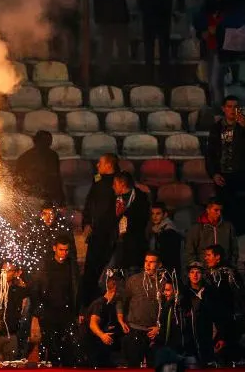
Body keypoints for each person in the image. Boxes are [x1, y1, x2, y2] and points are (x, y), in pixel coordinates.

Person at [31, 235, 80, 366]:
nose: (64, 253)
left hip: (67, 313)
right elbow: (36, 289)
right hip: (49, 313)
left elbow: (76, 288)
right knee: (50, 347)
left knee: (68, 348)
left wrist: (78, 311)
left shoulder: (71, 265)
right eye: (61, 250)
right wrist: (38, 312)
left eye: (66, 250)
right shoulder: (46, 266)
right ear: (54, 248)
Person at [80, 153, 119, 310]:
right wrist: (87, 222)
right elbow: (89, 204)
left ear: (109, 165)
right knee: (91, 272)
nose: (97, 165)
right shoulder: (98, 182)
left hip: (108, 236)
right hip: (96, 234)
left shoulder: (117, 183)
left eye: (100, 163)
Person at [134, 0, 179, 81]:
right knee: (149, 46)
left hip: (164, 11)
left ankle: (165, 77)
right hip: (148, 12)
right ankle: (149, 77)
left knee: (164, 45)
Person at [206, 95, 245, 235]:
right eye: (229, 106)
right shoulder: (216, 128)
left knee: (241, 209)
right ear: (223, 108)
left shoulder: (243, 127)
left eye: (236, 107)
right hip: (222, 176)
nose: (233, 110)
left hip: (240, 175)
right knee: (225, 208)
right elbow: (210, 154)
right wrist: (214, 174)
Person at [90, 0, 134, 77]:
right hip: (106, 18)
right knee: (106, 49)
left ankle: (125, 75)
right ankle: (102, 75)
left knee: (123, 49)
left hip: (120, 17)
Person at [116, 251, 163, 367]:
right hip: (135, 330)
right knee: (134, 366)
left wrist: (160, 327)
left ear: (159, 265)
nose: (147, 265)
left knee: (154, 366)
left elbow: (169, 309)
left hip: (154, 333)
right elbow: (121, 300)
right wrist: (121, 320)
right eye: (146, 261)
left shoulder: (164, 283)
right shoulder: (134, 280)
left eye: (151, 262)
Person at [202, 245, 244, 363]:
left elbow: (227, 306)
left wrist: (222, 334)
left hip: (227, 326)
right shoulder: (213, 274)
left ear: (218, 257)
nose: (206, 258)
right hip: (221, 326)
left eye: (209, 255)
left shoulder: (224, 275)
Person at [194, 0, 233, 110]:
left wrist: (218, 30)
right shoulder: (207, 7)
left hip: (227, 50)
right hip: (210, 48)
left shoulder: (232, 7)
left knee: (219, 81)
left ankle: (221, 108)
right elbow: (199, 24)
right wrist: (203, 31)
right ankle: (216, 107)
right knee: (211, 81)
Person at [180, 261, 226, 366]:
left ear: (203, 274)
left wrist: (221, 337)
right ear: (188, 274)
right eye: (192, 272)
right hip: (189, 341)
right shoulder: (183, 293)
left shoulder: (211, 292)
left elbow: (219, 316)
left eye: (198, 272)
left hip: (208, 340)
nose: (195, 275)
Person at [110, 171, 150, 274]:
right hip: (115, 245)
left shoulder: (140, 198)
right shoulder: (113, 199)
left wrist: (125, 213)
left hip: (134, 246)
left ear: (122, 184)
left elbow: (142, 221)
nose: (113, 187)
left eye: (115, 184)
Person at [15, 130, 65, 206]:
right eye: (44, 141)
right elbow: (19, 179)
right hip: (31, 194)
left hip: (48, 194)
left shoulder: (53, 156)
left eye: (49, 141)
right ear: (37, 141)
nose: (48, 143)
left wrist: (60, 197)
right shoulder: (25, 157)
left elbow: (56, 177)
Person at [185, 198, 239, 267]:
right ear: (208, 210)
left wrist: (231, 265)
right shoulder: (197, 228)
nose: (219, 213)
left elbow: (234, 249)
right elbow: (189, 251)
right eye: (216, 210)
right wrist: (197, 267)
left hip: (224, 269)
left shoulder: (228, 227)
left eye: (220, 210)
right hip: (204, 270)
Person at [86, 275, 121, 367]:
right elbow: (93, 324)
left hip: (100, 347)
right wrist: (102, 335)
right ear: (114, 289)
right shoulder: (100, 304)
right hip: (94, 347)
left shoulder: (108, 304)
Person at [148, 202, 183, 273]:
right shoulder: (156, 230)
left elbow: (170, 258)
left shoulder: (169, 232)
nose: (154, 217)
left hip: (167, 272)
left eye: (158, 214)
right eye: (153, 214)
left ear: (165, 214)